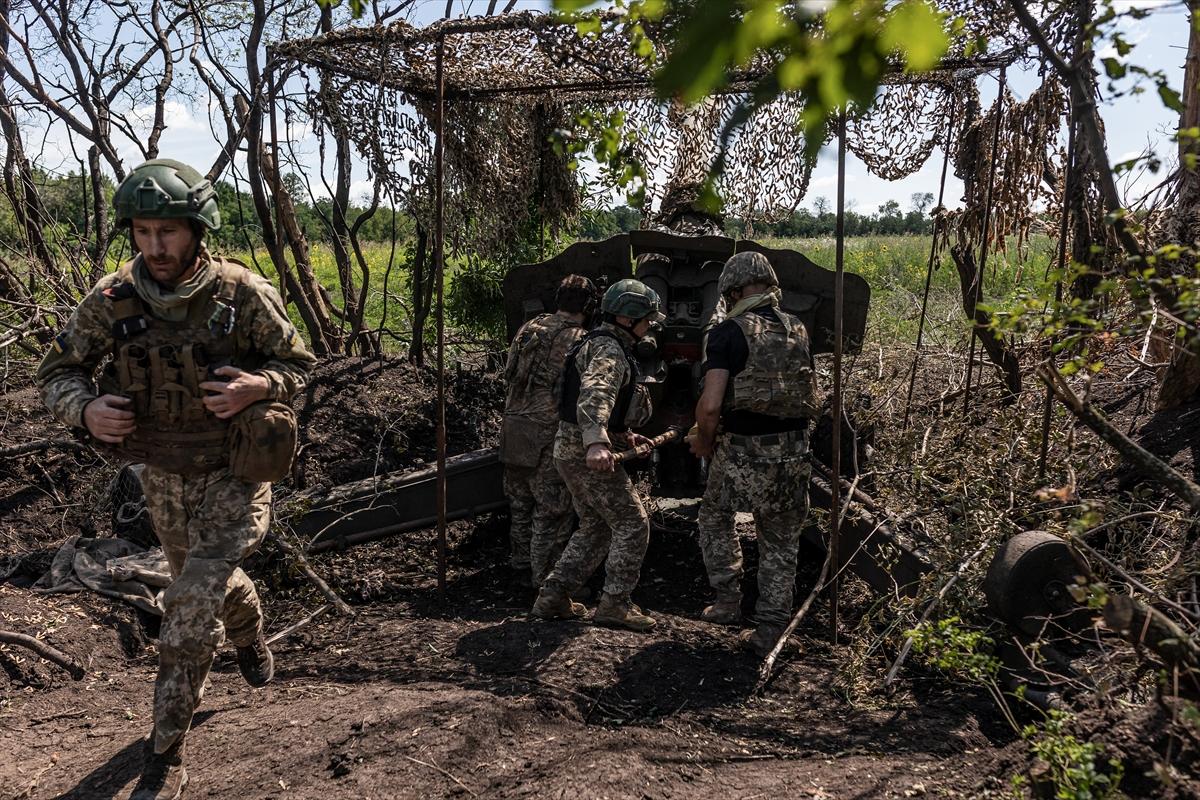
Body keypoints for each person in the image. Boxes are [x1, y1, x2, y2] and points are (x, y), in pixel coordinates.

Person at [37, 159, 315, 800]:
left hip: (234, 474)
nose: (155, 246)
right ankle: (248, 630)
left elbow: (299, 362)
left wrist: (259, 384)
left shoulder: (243, 294)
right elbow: (57, 372)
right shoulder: (111, 301)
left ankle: (165, 754)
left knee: (187, 603)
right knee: (206, 582)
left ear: (196, 228)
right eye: (142, 231)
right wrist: (84, 408)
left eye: (168, 231)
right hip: (161, 476)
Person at [689, 251, 821, 657]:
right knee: (780, 539)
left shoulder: (728, 332)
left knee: (714, 516)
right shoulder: (797, 328)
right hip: (795, 451)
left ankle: (727, 601)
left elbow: (711, 406)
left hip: (744, 452)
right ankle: (770, 630)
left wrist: (704, 440)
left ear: (731, 290)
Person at [531, 278, 663, 632]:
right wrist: (596, 443)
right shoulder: (609, 350)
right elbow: (594, 395)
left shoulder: (597, 342)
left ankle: (553, 596)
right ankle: (615, 604)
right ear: (628, 319)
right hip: (583, 452)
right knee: (633, 524)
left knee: (596, 526)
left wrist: (619, 437)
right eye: (647, 319)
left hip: (568, 447)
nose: (650, 325)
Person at [500, 274, 597, 587]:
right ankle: (547, 581)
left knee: (519, 502)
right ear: (589, 305)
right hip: (547, 428)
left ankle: (519, 563)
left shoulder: (529, 328)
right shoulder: (578, 338)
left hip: (514, 423)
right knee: (552, 509)